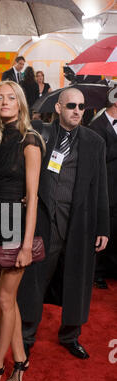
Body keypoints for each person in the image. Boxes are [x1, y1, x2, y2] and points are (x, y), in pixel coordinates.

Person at [17, 88, 110, 360]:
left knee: (78, 281)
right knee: (35, 280)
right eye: (71, 105)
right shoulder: (40, 133)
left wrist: (103, 227)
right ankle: (26, 335)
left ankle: (70, 335)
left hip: (79, 222)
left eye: (81, 107)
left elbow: (101, 187)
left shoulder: (95, 142)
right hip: (46, 221)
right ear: (58, 108)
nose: (77, 111)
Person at [0, 81, 44, 381]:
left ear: (20, 103)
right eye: (0, 98)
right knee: (8, 301)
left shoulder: (30, 140)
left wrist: (27, 245)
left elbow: (32, 198)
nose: (5, 102)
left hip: (16, 227)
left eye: (11, 97)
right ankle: (20, 359)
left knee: (5, 300)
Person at [89, 87, 117, 289]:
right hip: (105, 188)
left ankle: (112, 268)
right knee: (103, 228)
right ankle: (97, 271)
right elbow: (98, 159)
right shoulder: (96, 126)